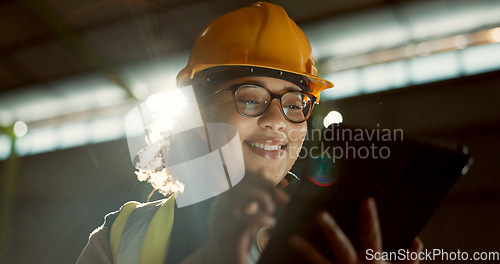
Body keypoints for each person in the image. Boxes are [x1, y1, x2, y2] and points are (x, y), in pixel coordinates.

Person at [77, 2, 423, 263]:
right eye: (250, 98)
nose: (277, 119)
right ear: (196, 115)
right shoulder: (121, 238)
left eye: (294, 103)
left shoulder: (351, 233)